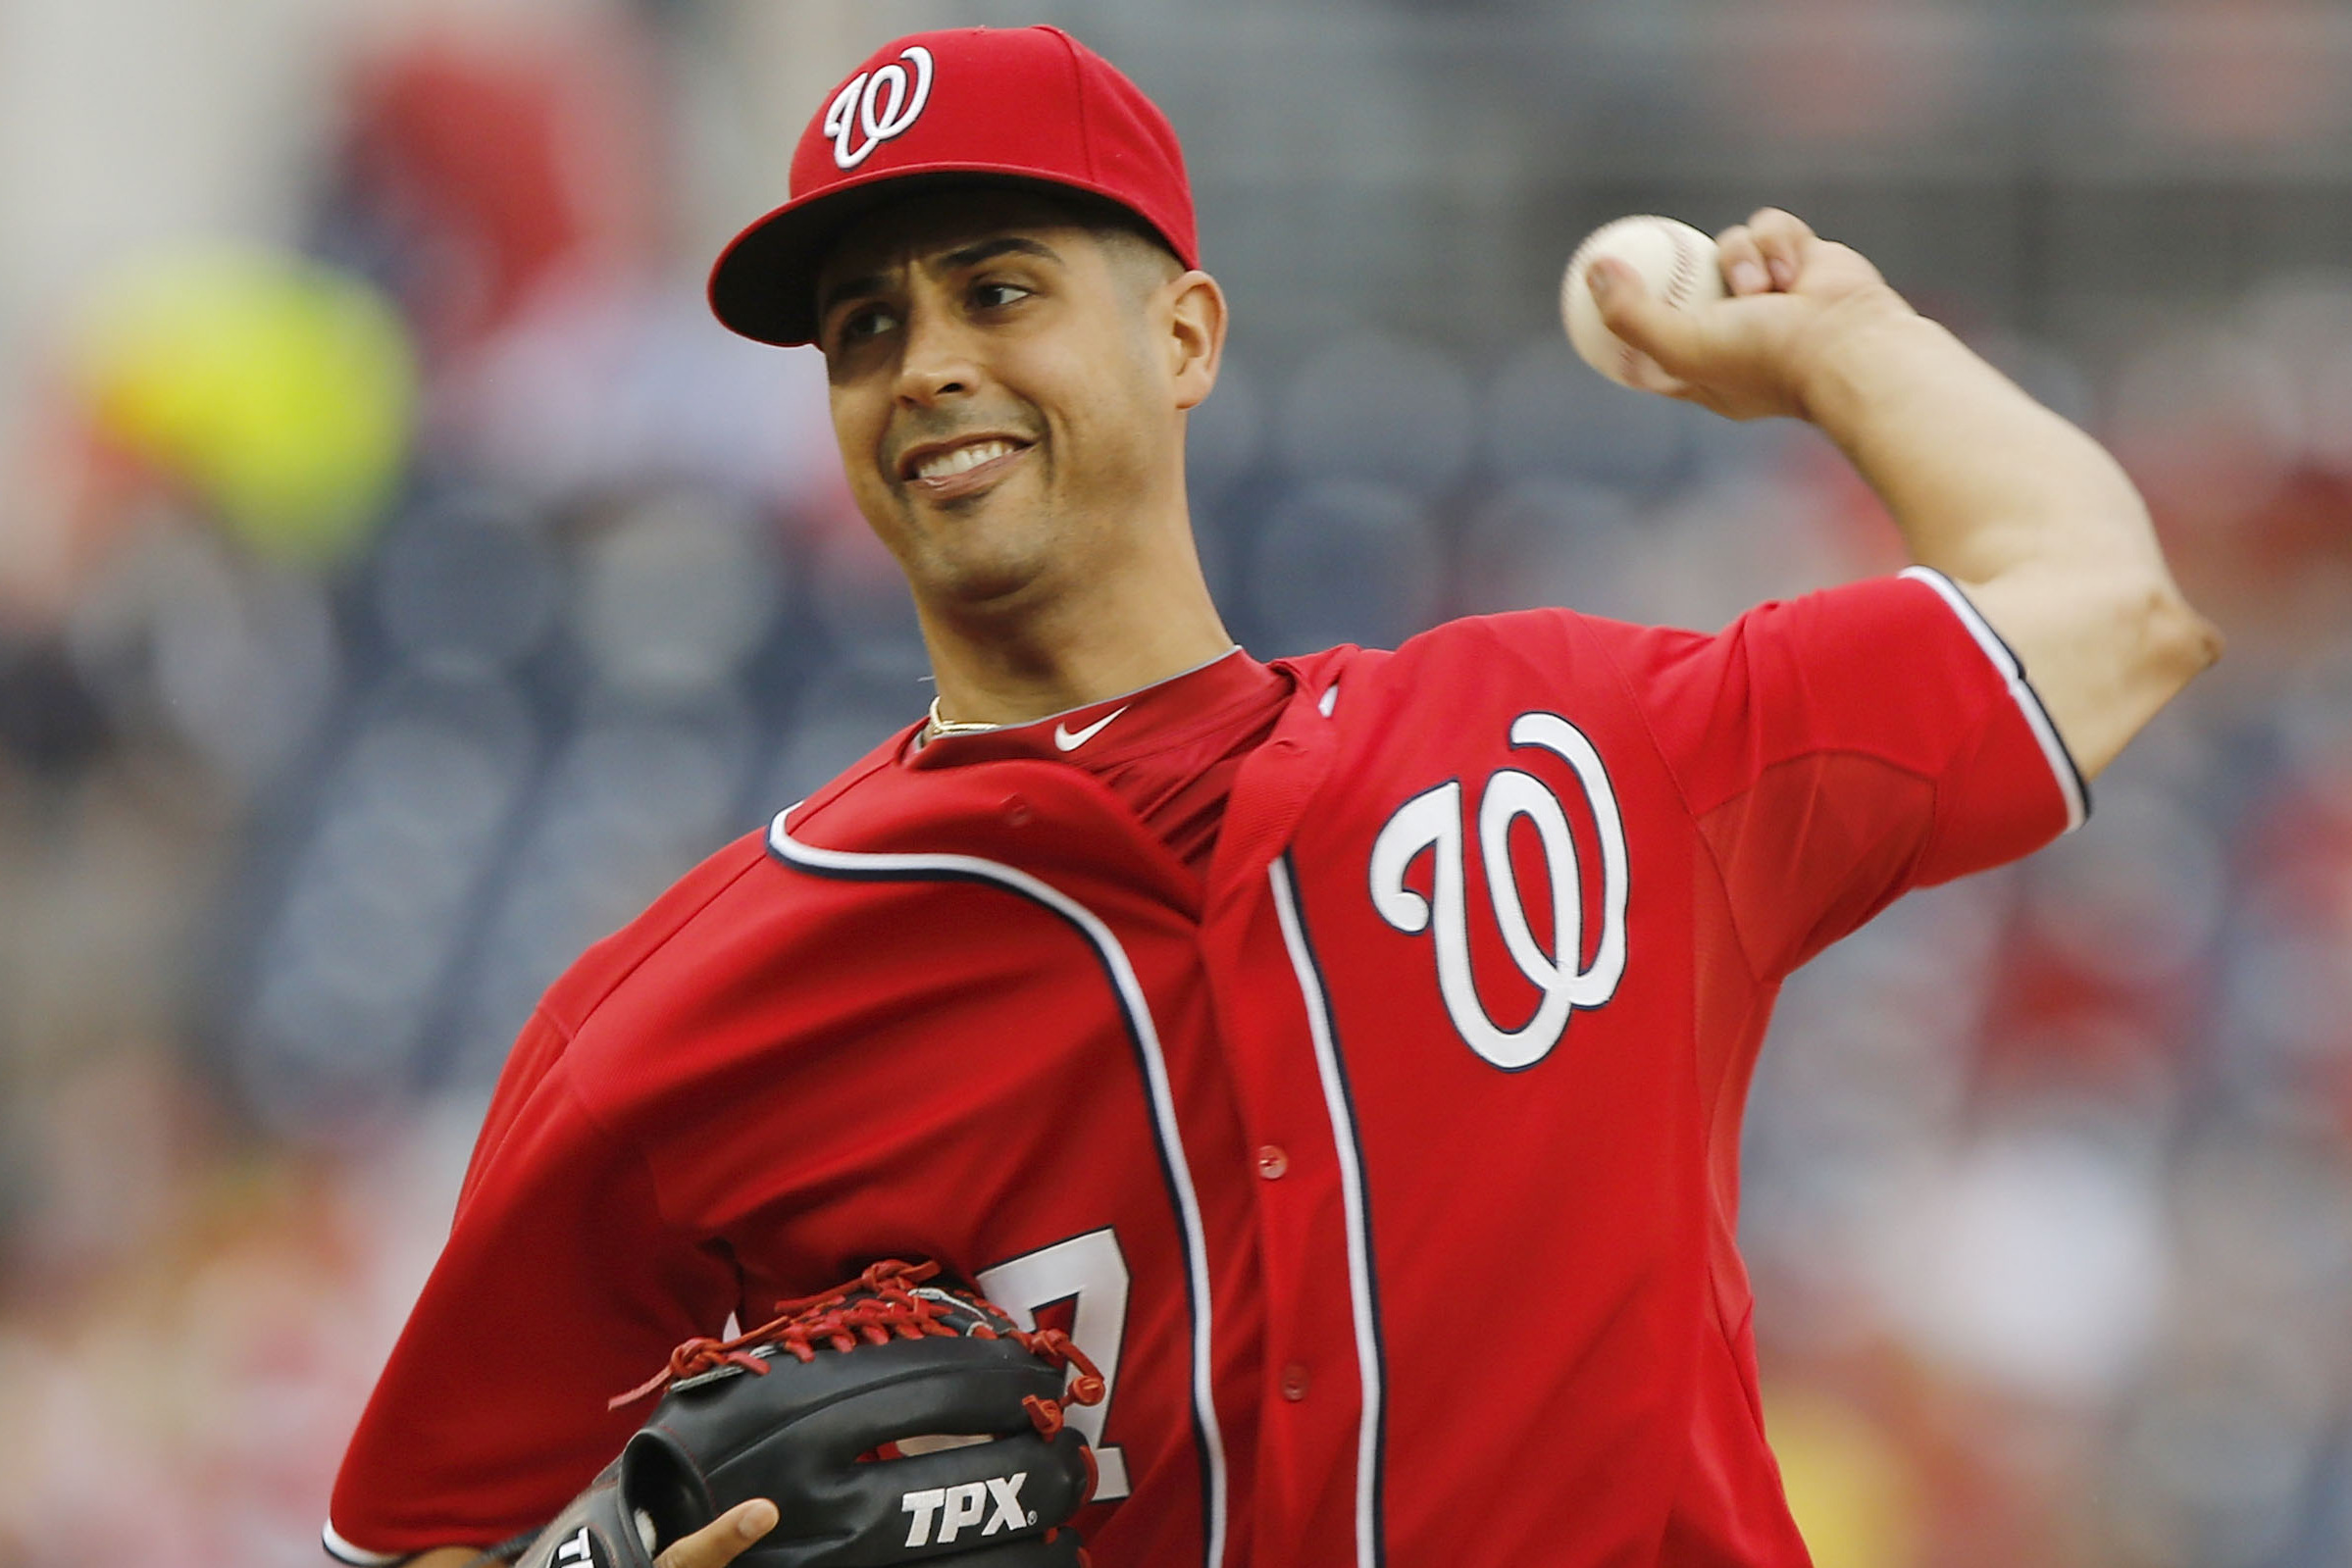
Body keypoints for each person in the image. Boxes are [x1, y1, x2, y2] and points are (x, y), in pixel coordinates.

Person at [325, 23, 2218, 1568]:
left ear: (1186, 337)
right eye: (865, 330)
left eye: (997, 287)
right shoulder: (681, 1016)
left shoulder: (1568, 751)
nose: (928, 368)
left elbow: (2106, 614)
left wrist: (1831, 346)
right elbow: (427, 1537)